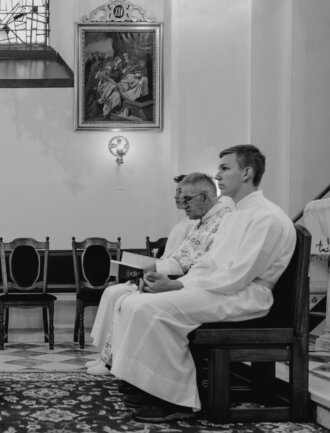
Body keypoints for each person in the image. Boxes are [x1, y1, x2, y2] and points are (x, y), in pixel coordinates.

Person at [107, 145, 296, 422]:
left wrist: (179, 287)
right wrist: (174, 282)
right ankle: (143, 383)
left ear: (246, 172)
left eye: (225, 168)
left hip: (245, 295)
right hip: (220, 289)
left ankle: (175, 399)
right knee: (135, 301)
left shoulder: (266, 217)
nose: (217, 175)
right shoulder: (235, 215)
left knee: (148, 308)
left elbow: (237, 275)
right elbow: (209, 264)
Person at [86, 172, 232, 374]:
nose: (182, 202)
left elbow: (196, 265)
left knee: (129, 301)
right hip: (181, 280)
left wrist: (160, 273)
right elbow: (180, 258)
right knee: (122, 298)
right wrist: (154, 269)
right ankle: (113, 359)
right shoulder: (204, 220)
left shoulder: (224, 220)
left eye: (186, 198)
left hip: (197, 288)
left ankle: (131, 366)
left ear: (205, 196)